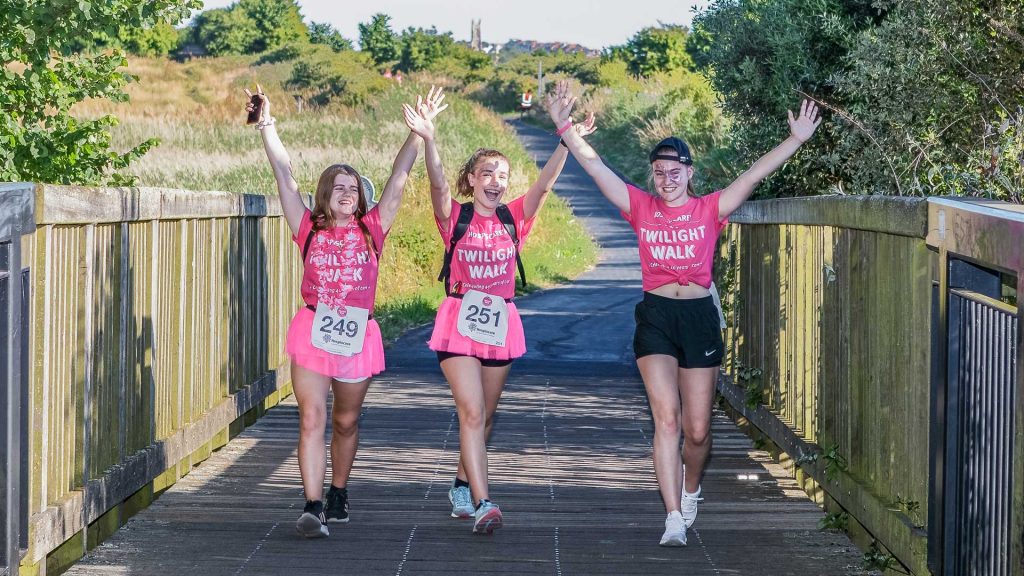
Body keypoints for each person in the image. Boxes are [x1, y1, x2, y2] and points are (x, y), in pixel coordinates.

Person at [546, 80, 821, 546]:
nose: (666, 178)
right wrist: (563, 126)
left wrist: (794, 140)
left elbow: (752, 176)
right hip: (655, 317)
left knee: (696, 431)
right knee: (666, 419)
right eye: (659, 171)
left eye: (675, 171)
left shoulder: (711, 209)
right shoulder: (640, 207)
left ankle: (691, 488)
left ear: (690, 174)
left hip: (698, 320)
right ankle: (673, 515)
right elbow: (596, 168)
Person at [245, 84, 448, 538]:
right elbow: (283, 173)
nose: (344, 192)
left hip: (357, 335)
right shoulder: (307, 228)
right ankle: (313, 504)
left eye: (352, 187)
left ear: (360, 198)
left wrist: (417, 134)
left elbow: (397, 179)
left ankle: (339, 490)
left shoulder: (374, 228)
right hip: (314, 329)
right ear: (324, 194)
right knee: (312, 417)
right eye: (336, 187)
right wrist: (267, 125)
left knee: (346, 420)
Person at [411, 85, 595, 534]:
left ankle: (460, 483)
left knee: (486, 417)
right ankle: (484, 502)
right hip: (458, 322)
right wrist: (429, 139)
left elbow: (546, 184)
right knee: (472, 413)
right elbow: (436, 183)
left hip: (500, 323)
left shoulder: (514, 217)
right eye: (487, 173)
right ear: (472, 179)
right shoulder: (455, 217)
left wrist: (565, 138)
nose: (496, 181)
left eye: (502, 175)